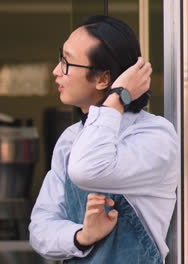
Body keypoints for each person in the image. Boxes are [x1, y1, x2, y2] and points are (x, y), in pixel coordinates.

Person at [29, 15, 178, 263]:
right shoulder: (71, 138)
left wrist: (118, 98)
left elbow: (87, 170)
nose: (56, 71)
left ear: (103, 79)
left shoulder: (153, 136)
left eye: (67, 63)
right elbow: (40, 230)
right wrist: (82, 235)